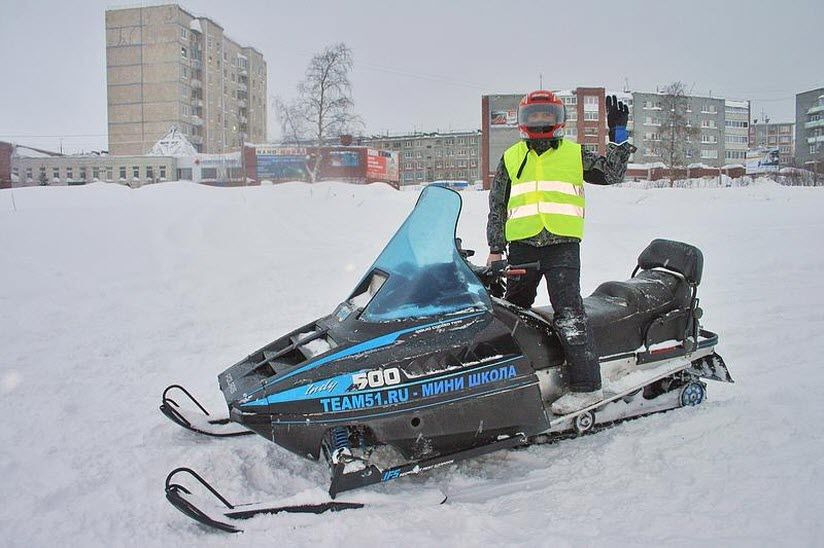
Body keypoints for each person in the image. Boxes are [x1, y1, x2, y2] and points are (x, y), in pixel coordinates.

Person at [486, 90, 636, 415]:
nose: (540, 121)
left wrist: (619, 135)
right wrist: (495, 249)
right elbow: (497, 204)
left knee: (568, 313)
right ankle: (515, 382)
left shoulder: (573, 154)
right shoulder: (512, 157)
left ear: (559, 119)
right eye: (533, 116)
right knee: (512, 313)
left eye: (546, 115)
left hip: (562, 247)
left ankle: (587, 387)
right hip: (522, 246)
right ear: (523, 121)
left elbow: (612, 174)